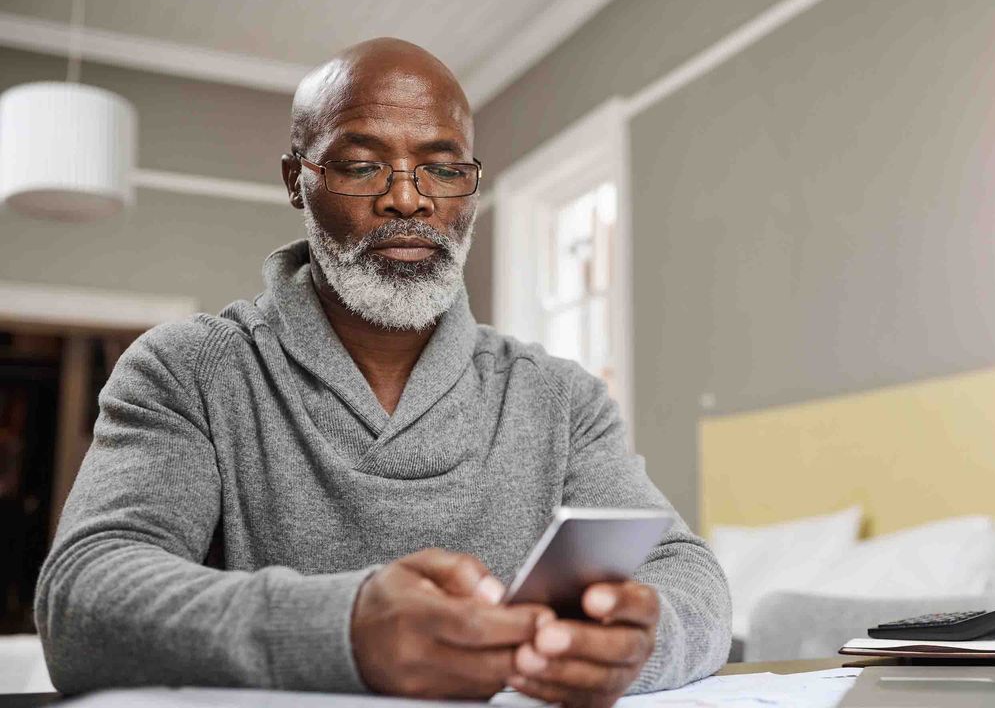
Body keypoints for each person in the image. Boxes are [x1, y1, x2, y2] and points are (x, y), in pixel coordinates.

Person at [34, 38, 732, 707]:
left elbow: (690, 576)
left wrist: (643, 641)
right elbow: (84, 598)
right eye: (362, 165)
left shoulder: (562, 398)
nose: (408, 199)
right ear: (296, 183)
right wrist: (343, 628)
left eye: (444, 167)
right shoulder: (190, 370)